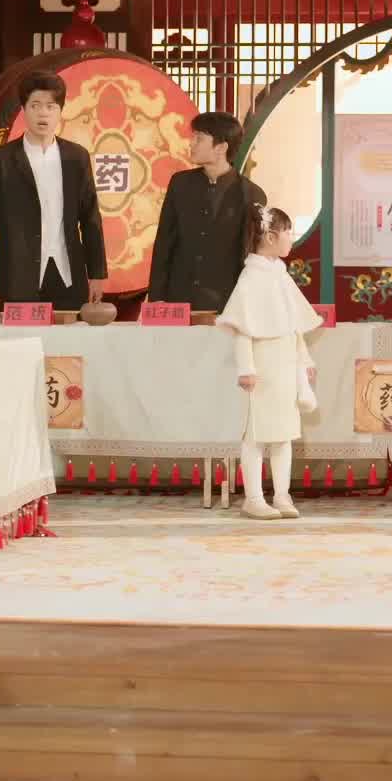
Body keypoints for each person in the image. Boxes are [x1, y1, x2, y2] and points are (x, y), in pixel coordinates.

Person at [217, 203, 321, 521]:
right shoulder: (251, 277)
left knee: (284, 434)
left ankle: (282, 495)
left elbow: (293, 325)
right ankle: (253, 498)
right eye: (289, 232)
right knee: (256, 435)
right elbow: (242, 328)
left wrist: (303, 359)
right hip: (262, 366)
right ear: (272, 237)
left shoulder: (279, 274)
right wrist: (246, 368)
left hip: (285, 363)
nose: (292, 238)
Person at [0, 70, 107, 313]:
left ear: (60, 111)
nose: (43, 113)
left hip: (68, 278)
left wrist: (97, 274)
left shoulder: (77, 158)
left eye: (50, 106)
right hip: (16, 277)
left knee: (69, 337)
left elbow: (90, 219)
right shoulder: (0, 160)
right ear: (23, 109)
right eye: (35, 105)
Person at [148, 111, 265, 313]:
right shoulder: (180, 184)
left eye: (199, 138)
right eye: (193, 137)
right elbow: (164, 243)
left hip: (226, 303)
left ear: (221, 148)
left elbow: (251, 255)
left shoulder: (251, 194)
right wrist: (156, 297)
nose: (191, 143)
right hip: (178, 299)